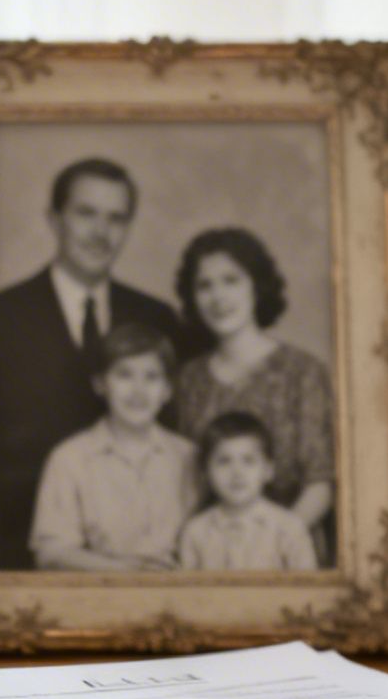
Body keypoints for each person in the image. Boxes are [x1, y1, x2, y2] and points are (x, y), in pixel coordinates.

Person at [0, 158, 183, 570]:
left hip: (147, 558)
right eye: (86, 214)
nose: (101, 232)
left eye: (116, 218)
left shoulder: (157, 318)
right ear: (54, 218)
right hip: (18, 557)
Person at [170, 226, 336, 566]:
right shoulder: (188, 379)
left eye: (231, 280)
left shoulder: (302, 372)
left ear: (257, 287)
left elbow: (321, 481)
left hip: (289, 554)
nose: (218, 297)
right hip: (210, 554)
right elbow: (186, 482)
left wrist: (270, 543)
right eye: (205, 285)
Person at [28, 323, 195, 571]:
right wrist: (128, 572)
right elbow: (51, 553)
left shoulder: (189, 456)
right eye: (124, 374)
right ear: (100, 384)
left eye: (151, 376)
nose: (138, 390)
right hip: (99, 596)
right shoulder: (69, 459)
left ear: (167, 390)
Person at [177, 412, 317, 571]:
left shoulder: (290, 529)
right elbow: (187, 592)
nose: (237, 472)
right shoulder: (195, 533)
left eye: (248, 461)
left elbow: (308, 591)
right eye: (224, 461)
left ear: (268, 470)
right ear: (206, 473)